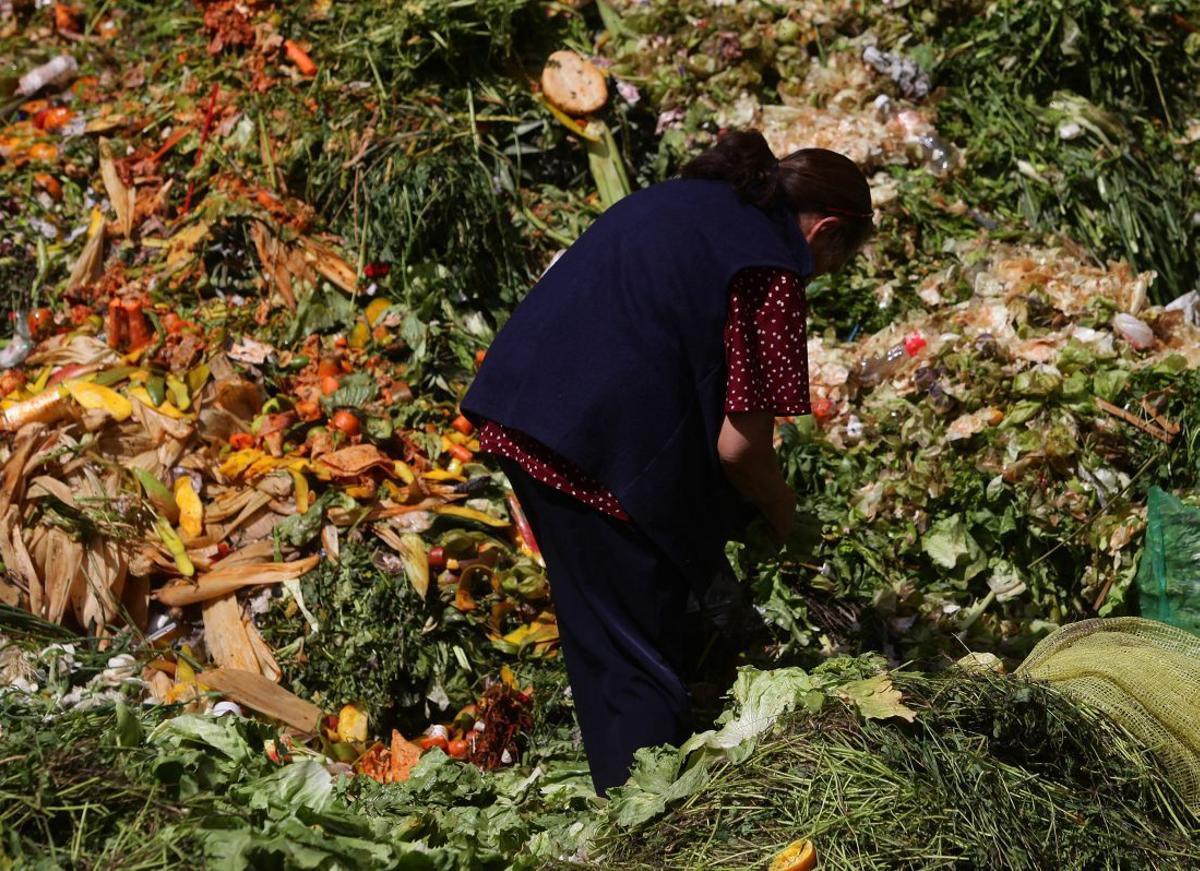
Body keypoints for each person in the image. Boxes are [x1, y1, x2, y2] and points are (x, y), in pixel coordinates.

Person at [462, 129, 873, 794]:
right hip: (588, 445)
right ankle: (647, 818)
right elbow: (740, 448)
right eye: (835, 262)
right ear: (825, 231)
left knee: (608, 632)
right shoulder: (770, 266)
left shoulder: (694, 200)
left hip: (524, 405)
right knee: (635, 656)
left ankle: (631, 790)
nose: (820, 276)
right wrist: (783, 511)